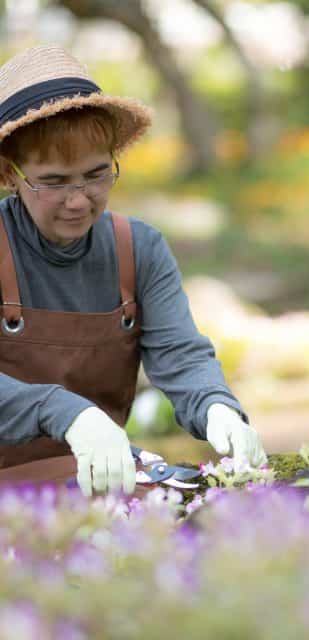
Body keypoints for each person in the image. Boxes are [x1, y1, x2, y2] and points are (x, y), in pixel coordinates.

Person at [0, 45, 267, 498]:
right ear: (10, 175)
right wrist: (65, 411)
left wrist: (216, 406)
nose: (79, 200)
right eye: (54, 181)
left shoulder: (137, 249)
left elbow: (180, 355)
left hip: (95, 477)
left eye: (96, 174)